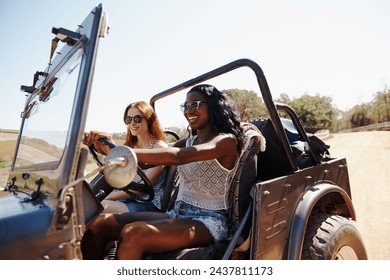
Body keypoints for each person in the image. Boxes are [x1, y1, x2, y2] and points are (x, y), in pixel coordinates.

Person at [81, 84, 245, 260]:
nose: (188, 110)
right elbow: (145, 161)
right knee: (99, 225)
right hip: (177, 213)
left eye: (195, 104)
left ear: (213, 105)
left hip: (208, 221)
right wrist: (107, 149)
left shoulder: (226, 141)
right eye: (186, 106)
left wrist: (121, 152)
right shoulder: (187, 142)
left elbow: (177, 157)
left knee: (134, 233)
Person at [83, 101, 168, 213]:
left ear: (149, 119)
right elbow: (116, 172)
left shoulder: (159, 148)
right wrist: (101, 148)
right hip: (127, 198)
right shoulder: (130, 147)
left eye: (137, 118)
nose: (132, 123)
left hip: (147, 202)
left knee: (94, 206)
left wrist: (105, 196)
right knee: (82, 201)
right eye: (128, 119)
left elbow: (142, 189)